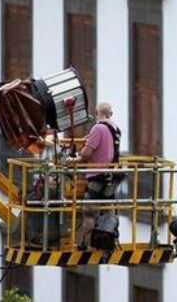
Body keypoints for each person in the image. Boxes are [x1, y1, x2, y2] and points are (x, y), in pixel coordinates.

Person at [69, 102, 121, 249]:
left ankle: (86, 243)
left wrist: (75, 159)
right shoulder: (115, 129)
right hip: (112, 176)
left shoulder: (98, 128)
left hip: (98, 176)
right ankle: (111, 241)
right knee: (108, 209)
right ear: (110, 114)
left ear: (98, 113)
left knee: (89, 210)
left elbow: (86, 154)